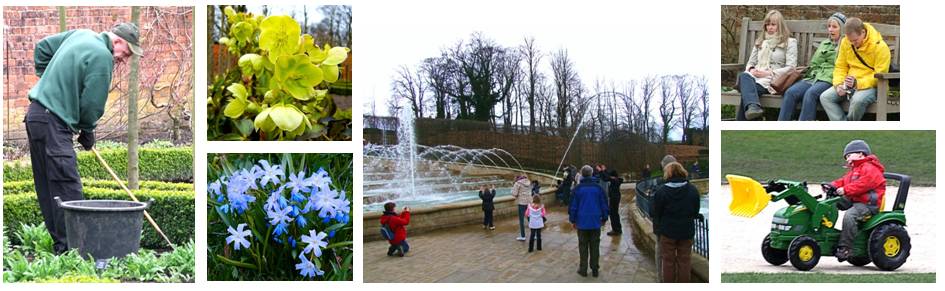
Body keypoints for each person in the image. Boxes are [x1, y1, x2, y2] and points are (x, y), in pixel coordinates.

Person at [25, 23, 143, 254]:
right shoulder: (102, 56)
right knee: (67, 187)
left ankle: (63, 249)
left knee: (49, 187)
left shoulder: (81, 34)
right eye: (125, 53)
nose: (123, 59)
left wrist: (54, 81)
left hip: (36, 116)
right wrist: (87, 130)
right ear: (117, 42)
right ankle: (77, 252)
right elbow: (91, 103)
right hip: (53, 122)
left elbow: (42, 49)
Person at [819, 17, 891, 121]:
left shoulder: (880, 47)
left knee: (857, 100)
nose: (852, 43)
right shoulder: (845, 42)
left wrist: (857, 83)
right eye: (850, 40)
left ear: (863, 32)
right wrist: (839, 84)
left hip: (873, 86)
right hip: (849, 83)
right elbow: (840, 66)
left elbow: (879, 76)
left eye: (855, 40)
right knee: (825, 97)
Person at [778, 12, 846, 121]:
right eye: (829, 26)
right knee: (791, 93)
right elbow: (814, 63)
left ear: (842, 29)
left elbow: (843, 66)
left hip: (830, 78)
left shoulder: (846, 45)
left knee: (811, 94)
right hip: (813, 77)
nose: (830, 30)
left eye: (834, 27)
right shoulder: (824, 43)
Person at [827, 140, 886, 261]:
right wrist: (831, 185)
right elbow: (843, 181)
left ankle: (845, 247)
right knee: (829, 203)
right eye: (846, 157)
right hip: (855, 200)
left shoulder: (871, 168)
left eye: (849, 155)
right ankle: (823, 230)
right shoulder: (855, 169)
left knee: (850, 215)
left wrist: (845, 190)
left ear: (860, 154)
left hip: (868, 204)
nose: (847, 159)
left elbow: (864, 184)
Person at [736, 9, 798, 120]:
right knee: (744, 76)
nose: (770, 27)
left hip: (772, 79)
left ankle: (752, 109)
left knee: (747, 94)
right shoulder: (760, 41)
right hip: (754, 77)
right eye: (767, 25)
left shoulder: (790, 42)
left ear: (780, 26)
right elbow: (751, 63)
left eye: (773, 25)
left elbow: (791, 68)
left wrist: (768, 73)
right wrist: (751, 70)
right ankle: (753, 107)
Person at [652, 162, 701, 283]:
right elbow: (695, 210)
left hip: (668, 232)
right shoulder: (692, 190)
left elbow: (655, 212)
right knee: (684, 261)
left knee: (668, 262)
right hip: (686, 231)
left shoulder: (661, 191)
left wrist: (658, 229)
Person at [569, 165, 609, 277]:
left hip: (582, 222)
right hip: (595, 222)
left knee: (583, 246)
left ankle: (583, 269)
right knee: (595, 246)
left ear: (582, 174)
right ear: (591, 174)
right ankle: (595, 268)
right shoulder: (598, 188)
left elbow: (573, 206)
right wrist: (604, 217)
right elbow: (604, 205)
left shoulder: (577, 189)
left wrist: (573, 220)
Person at [511, 174, 532, 241]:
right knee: (530, 218)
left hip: (522, 203)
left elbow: (514, 193)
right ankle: (533, 235)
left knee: (521, 220)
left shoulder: (517, 183)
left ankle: (523, 236)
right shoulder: (528, 182)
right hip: (529, 202)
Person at [606, 169, 623, 236]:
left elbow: (606, 177)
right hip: (615, 198)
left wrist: (602, 171)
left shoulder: (615, 181)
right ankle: (617, 228)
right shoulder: (616, 180)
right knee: (615, 214)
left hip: (614, 198)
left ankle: (616, 229)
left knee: (613, 214)